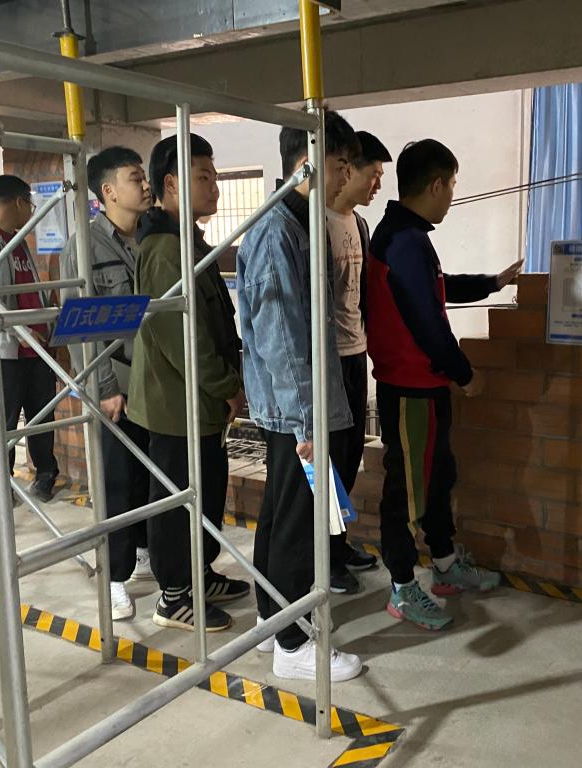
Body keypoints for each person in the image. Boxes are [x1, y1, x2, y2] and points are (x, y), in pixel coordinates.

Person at [367, 139, 522, 631]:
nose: (453, 194)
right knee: (406, 492)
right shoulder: (403, 240)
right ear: (436, 185)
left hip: (423, 387)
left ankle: (445, 564)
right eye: (452, 184)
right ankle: (401, 588)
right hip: (410, 388)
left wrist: (492, 283)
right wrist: (465, 373)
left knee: (438, 477)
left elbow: (438, 286)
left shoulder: (408, 236)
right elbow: (427, 323)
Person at [237, 107, 363, 682]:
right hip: (294, 408)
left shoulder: (298, 221)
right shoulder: (277, 231)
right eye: (340, 164)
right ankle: (292, 643)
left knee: (281, 514)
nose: (346, 177)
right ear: (308, 162)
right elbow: (282, 336)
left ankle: (272, 622)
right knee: (295, 522)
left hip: (293, 404)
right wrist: (308, 420)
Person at [127, 134, 250, 632]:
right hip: (175, 405)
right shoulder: (163, 250)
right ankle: (174, 596)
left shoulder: (187, 242)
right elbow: (183, 339)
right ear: (172, 183)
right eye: (203, 177)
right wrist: (225, 385)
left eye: (214, 176)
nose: (214, 186)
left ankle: (200, 574)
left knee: (206, 494)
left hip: (200, 401)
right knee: (178, 502)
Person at [60, 146, 155, 621]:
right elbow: (81, 327)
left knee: (150, 475)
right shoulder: (86, 246)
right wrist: (102, 388)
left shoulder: (153, 236)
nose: (146, 185)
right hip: (115, 379)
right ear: (108, 191)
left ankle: (143, 550)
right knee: (116, 481)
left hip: (154, 379)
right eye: (135, 178)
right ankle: (114, 577)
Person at [324, 130, 391, 594]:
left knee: (347, 458)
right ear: (348, 170)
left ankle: (338, 543)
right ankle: (322, 557)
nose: (377, 184)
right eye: (373, 174)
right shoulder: (314, 223)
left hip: (355, 353)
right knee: (326, 464)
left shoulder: (360, 226)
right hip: (327, 361)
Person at [0, 175, 60, 502]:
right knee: (4, 422)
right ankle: (2, 483)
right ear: (19, 201)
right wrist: (18, 329)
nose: (31, 211)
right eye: (29, 204)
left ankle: (46, 475)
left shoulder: (17, 240)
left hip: (37, 348)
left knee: (42, 416)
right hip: (7, 352)